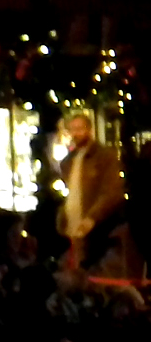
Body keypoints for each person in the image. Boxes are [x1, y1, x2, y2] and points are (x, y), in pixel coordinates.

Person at [58, 113, 128, 276]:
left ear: (89, 130)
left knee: (94, 269)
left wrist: (93, 217)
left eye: (80, 129)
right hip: (76, 224)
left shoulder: (104, 156)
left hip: (97, 226)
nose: (76, 133)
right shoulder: (69, 161)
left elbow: (112, 191)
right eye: (73, 129)